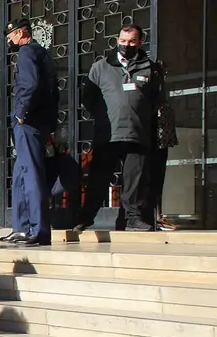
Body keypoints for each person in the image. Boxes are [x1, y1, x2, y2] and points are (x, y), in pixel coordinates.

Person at [75, 23, 165, 232]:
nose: (127, 45)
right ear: (117, 40)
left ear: (140, 42)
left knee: (135, 180)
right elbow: (88, 98)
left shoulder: (151, 68)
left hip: (137, 133)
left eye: (132, 41)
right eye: (123, 41)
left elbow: (157, 100)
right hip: (108, 134)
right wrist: (104, 115)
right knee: (98, 178)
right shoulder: (101, 66)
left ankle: (133, 219)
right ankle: (85, 218)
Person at [0, 18, 59, 245]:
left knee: (31, 174)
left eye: (11, 35)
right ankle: (21, 226)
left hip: (29, 122)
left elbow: (31, 84)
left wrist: (20, 113)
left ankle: (38, 229)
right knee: (20, 175)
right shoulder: (43, 54)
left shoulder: (26, 53)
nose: (9, 40)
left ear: (22, 33)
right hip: (39, 122)